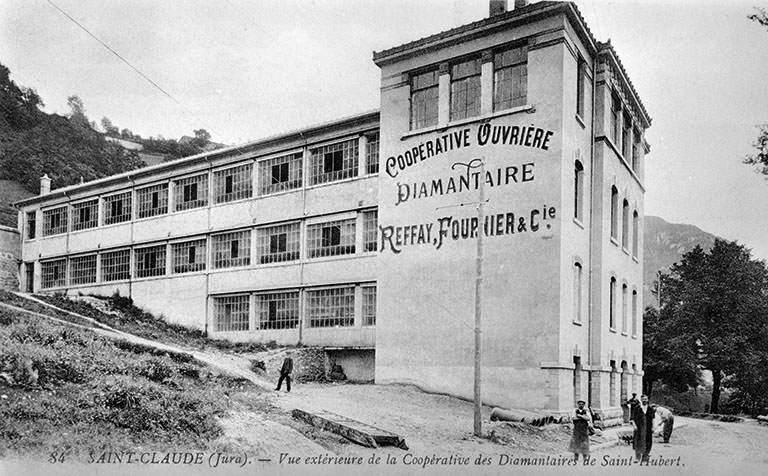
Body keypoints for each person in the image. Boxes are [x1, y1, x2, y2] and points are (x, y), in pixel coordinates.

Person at [630, 394, 656, 462]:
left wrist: (653, 427)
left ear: (647, 400)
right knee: (637, 442)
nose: (644, 400)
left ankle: (645, 456)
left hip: (648, 428)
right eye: (643, 399)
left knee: (648, 442)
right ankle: (637, 458)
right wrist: (634, 426)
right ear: (641, 400)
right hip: (639, 428)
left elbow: (653, 419)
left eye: (646, 399)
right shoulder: (637, 408)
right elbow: (632, 419)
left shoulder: (650, 409)